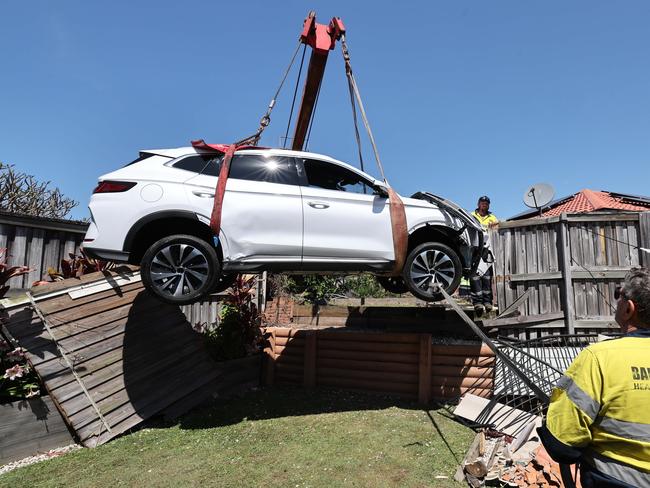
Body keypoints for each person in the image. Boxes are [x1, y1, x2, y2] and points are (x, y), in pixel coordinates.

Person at [538, 266, 650, 487]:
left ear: (629, 308)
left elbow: (562, 445)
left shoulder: (599, 358)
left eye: (620, 296)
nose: (617, 302)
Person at [470, 196, 498, 315]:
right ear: (478, 204)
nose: (484, 205)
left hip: (487, 249)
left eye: (486, 203)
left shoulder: (493, 218)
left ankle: (487, 302)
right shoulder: (471, 215)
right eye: (482, 203)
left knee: (487, 277)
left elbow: (497, 230)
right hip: (474, 249)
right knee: (475, 276)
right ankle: (477, 303)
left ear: (489, 205)